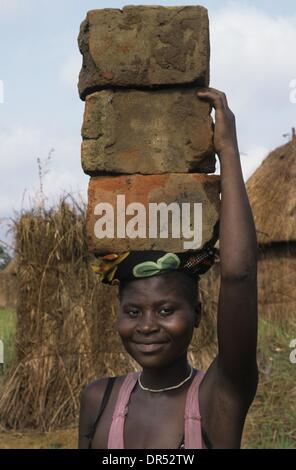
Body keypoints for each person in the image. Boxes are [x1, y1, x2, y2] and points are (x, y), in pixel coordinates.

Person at [78, 88, 258, 449]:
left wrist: (228, 152)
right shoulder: (99, 401)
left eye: (165, 310)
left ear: (197, 313)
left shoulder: (217, 398)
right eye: (133, 311)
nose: (146, 325)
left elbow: (238, 275)